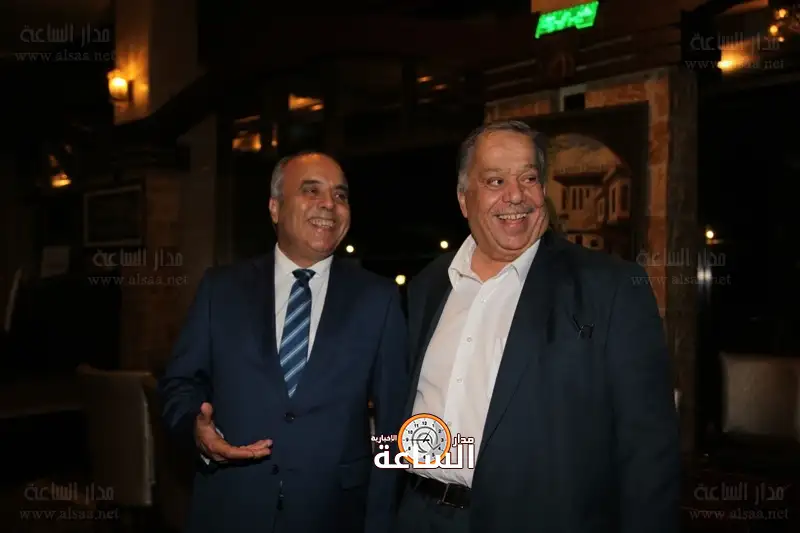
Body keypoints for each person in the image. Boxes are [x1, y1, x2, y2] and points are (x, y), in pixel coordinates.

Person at [396, 121, 680, 533]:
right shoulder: (427, 286)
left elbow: (649, 448)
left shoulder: (610, 288)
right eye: (495, 180)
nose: (516, 194)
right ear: (463, 198)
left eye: (528, 178)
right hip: (418, 516)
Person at [159, 151, 409, 533]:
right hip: (230, 508)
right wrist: (196, 427)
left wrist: (380, 522)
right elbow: (179, 384)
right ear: (275, 208)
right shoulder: (221, 289)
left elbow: (395, 425)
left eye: (340, 195)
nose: (329, 204)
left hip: (334, 514)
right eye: (311, 190)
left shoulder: (379, 299)